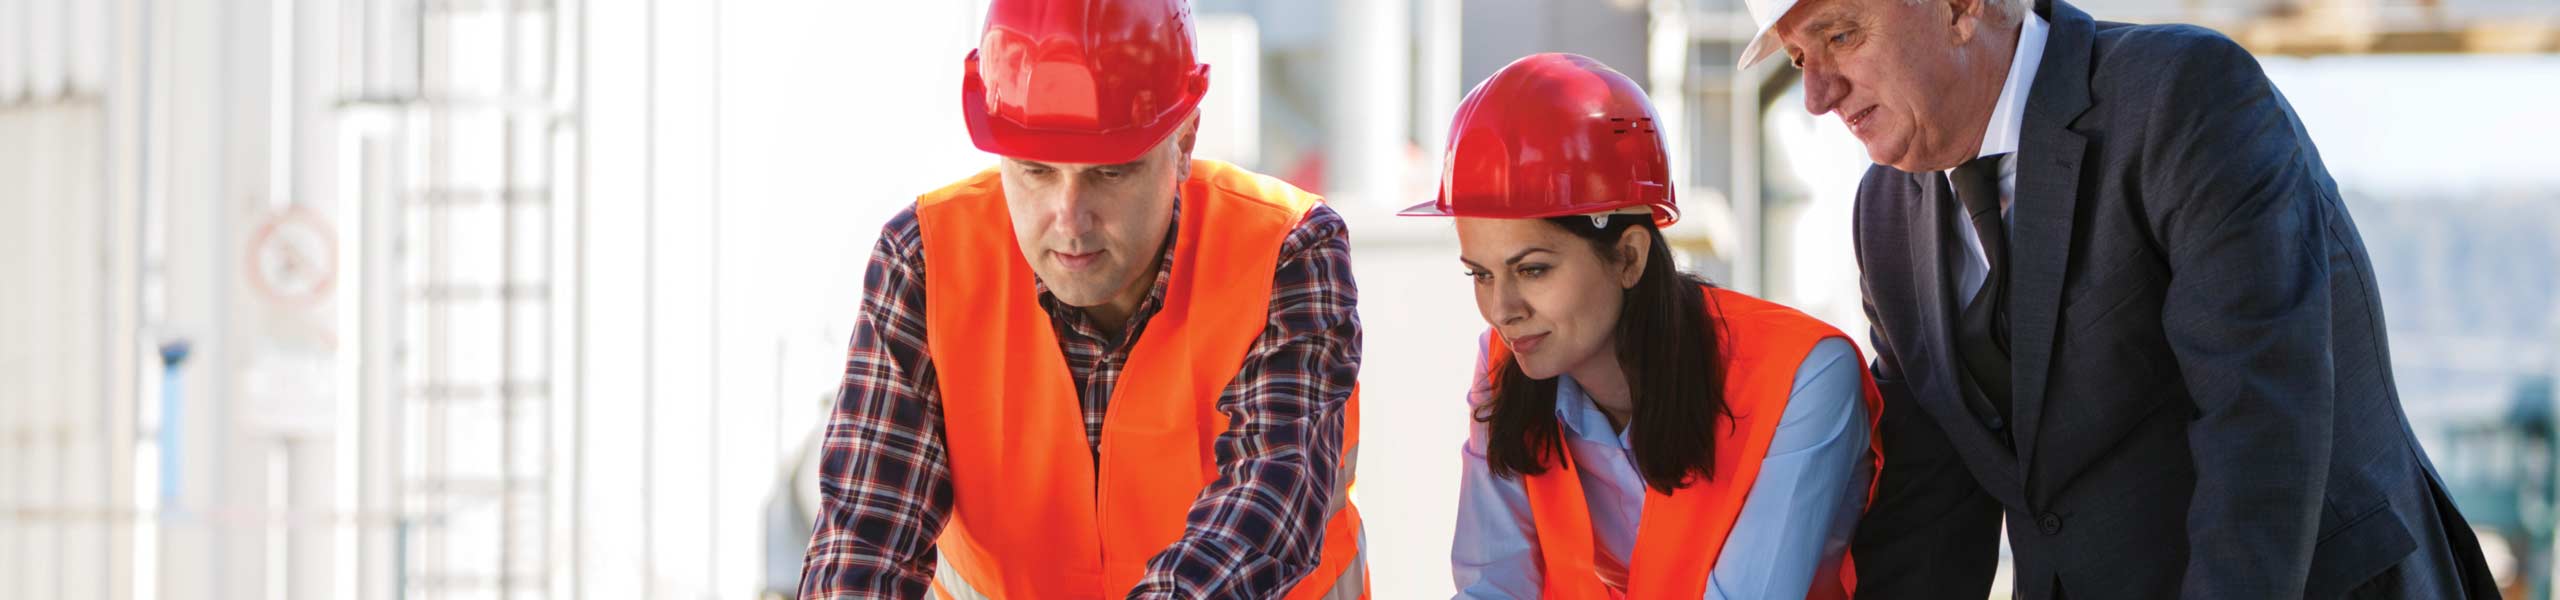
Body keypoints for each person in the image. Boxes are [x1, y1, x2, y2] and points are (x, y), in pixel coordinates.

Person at [1730, 0, 2503, 595]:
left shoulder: (2184, 98)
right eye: (1799, 57)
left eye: (1839, 36)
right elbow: (1929, 510)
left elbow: (2259, 430)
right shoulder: (1886, 215)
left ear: (1962, 6)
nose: (1817, 95)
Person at [795, 0, 1368, 597]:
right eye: (1035, 171)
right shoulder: (922, 261)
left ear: (1184, 141)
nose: (1069, 220)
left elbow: (1266, 507)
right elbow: (863, 541)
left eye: (1110, 172)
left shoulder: (1287, 251)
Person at [1402, 53, 1882, 599]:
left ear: (1629, 257)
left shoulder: (1803, 379)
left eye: (1532, 269)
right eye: (1480, 275)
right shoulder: (1503, 368)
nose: (1501, 308)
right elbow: (1492, 590)